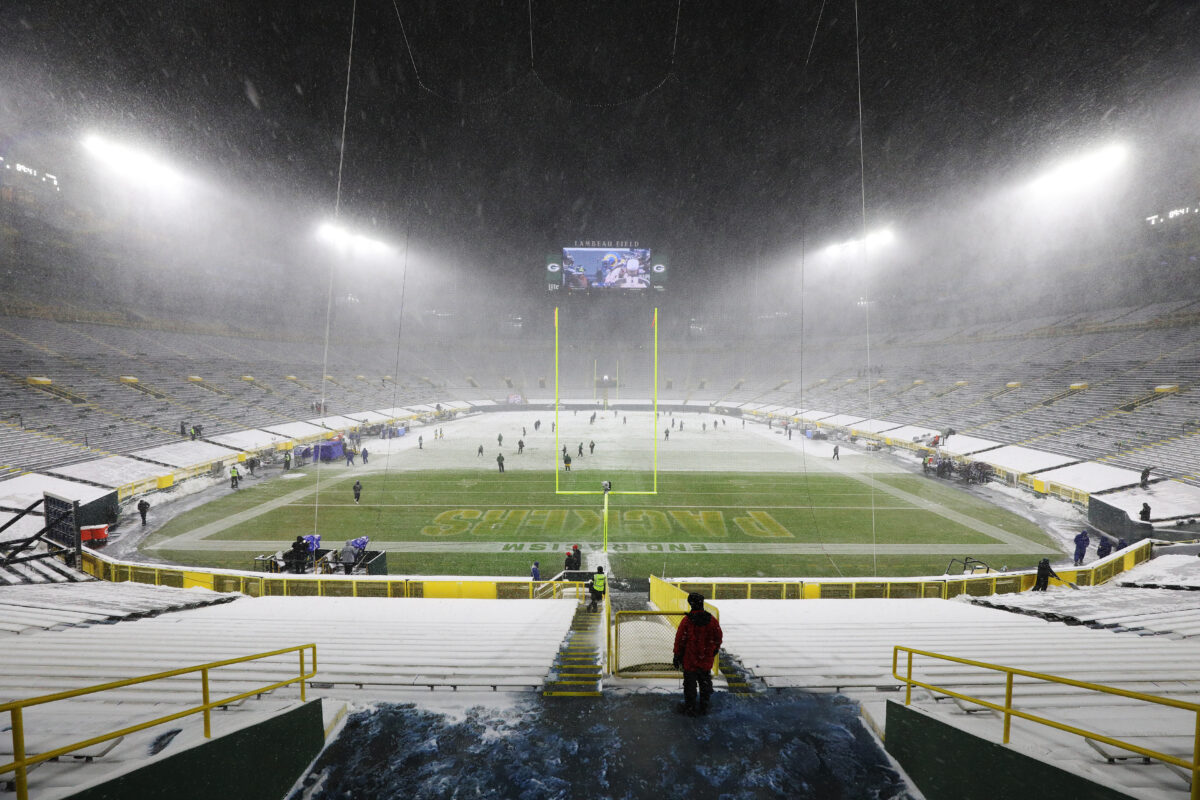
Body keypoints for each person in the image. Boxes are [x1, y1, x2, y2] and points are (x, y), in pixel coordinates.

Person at [673, 592, 724, 716]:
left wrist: (677, 655)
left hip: (690, 660)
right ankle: (704, 707)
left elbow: (680, 640)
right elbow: (718, 637)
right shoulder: (712, 620)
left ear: (690, 604)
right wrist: (714, 649)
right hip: (706, 660)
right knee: (705, 683)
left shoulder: (687, 621)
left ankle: (690, 708)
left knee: (690, 685)